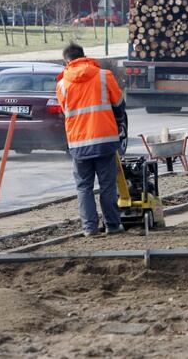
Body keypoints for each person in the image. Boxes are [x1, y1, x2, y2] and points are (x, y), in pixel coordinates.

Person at [56, 43, 127, 237]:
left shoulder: (62, 85)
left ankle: (89, 228)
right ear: (84, 56)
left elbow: (65, 112)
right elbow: (120, 104)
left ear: (67, 61)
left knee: (84, 187)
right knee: (107, 185)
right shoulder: (104, 76)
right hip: (105, 140)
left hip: (79, 144)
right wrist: (118, 122)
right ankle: (112, 225)